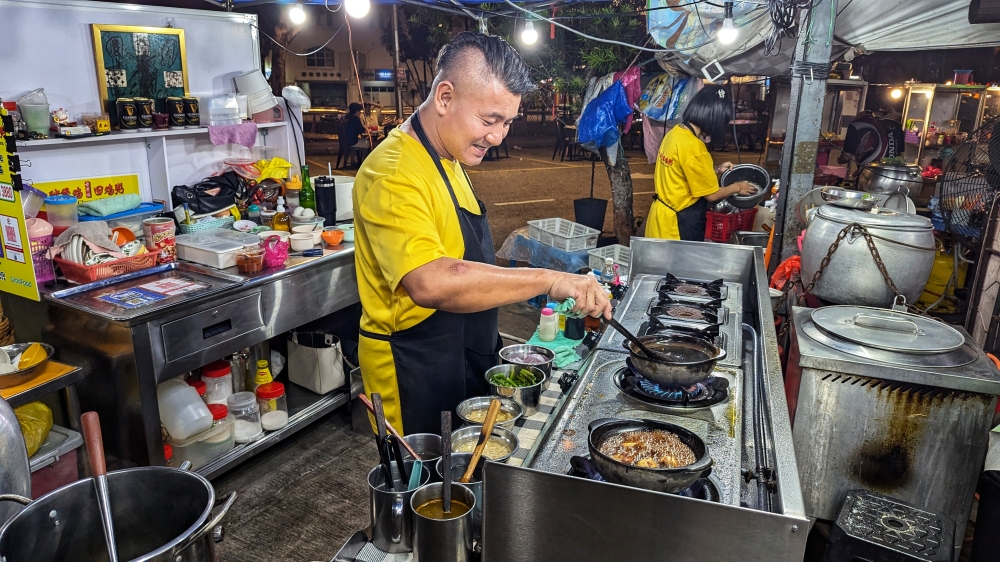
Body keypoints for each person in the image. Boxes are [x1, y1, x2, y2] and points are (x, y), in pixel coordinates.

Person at [352, 32, 613, 435]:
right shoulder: (393, 171)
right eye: (489, 120)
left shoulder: (448, 157)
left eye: (507, 122)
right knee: (424, 487)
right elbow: (432, 282)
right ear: (444, 97)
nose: (497, 137)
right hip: (413, 370)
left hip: (464, 351)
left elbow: (466, 257)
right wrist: (549, 278)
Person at [645, 85, 757, 241]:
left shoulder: (676, 133)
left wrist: (717, 168)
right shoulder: (695, 147)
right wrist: (738, 187)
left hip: (660, 216)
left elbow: (684, 170)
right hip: (677, 226)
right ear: (714, 119)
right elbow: (712, 195)